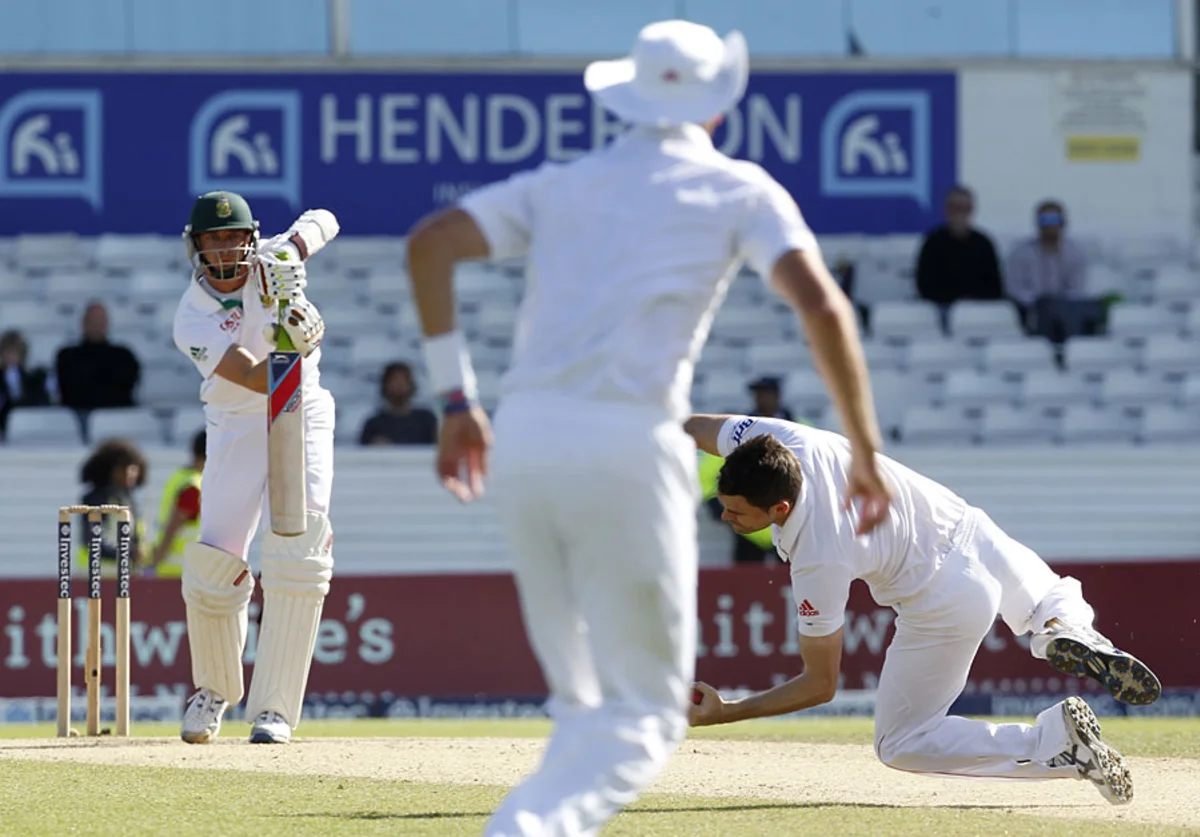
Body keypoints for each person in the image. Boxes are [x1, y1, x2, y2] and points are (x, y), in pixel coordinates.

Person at [404, 20, 890, 836]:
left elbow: (430, 245)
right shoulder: (740, 189)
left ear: (626, 99)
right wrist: (866, 454)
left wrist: (457, 401)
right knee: (642, 719)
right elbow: (823, 305)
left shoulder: (561, 183)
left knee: (582, 705)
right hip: (628, 444)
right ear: (718, 109)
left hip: (522, 439)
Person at [683, 413, 1162, 805]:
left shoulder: (817, 553)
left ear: (780, 509)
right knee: (1049, 595)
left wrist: (728, 712)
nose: (725, 518)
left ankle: (1053, 742)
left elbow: (820, 683)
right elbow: (702, 426)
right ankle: (1066, 628)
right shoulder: (787, 439)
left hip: (942, 598)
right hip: (972, 528)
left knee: (901, 742)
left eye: (737, 512)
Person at [172, 190, 339, 745]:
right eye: (214, 238)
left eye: (235, 237)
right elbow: (252, 376)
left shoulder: (270, 258)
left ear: (250, 236)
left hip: (304, 409)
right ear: (196, 247)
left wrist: (291, 248)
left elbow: (326, 217)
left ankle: (275, 711)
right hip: (238, 420)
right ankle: (214, 689)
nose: (227, 248)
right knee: (215, 563)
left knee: (299, 547)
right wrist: (291, 342)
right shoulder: (191, 317)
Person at [914, 185, 1003, 315]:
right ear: (946, 210)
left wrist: (972, 300)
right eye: (955, 208)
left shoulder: (984, 243)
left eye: (965, 208)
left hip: (979, 308)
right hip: (942, 308)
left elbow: (995, 286)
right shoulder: (932, 243)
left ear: (972, 210)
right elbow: (924, 285)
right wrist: (955, 302)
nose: (960, 213)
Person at [1005, 200, 1088, 329]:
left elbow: (1077, 289)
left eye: (1054, 219)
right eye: (1045, 220)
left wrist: (1057, 303)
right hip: (1028, 313)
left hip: (1066, 315)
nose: (1050, 225)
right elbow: (1015, 288)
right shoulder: (1020, 253)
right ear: (1038, 222)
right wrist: (1040, 302)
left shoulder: (1075, 254)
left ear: (1063, 222)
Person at [76, 437, 148, 575]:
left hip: (122, 578)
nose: (130, 474)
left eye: (134, 469)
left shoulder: (128, 499)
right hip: (97, 577)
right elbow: (92, 541)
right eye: (124, 469)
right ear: (110, 470)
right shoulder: (96, 498)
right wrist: (129, 554)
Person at [55, 301, 141, 412]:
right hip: (80, 415)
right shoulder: (67, 356)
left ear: (107, 323)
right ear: (83, 323)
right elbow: (71, 390)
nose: (96, 324)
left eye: (100, 320)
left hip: (117, 416)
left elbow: (126, 387)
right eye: (92, 320)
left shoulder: (124, 355)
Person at [148, 430, 206, 579]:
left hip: (174, 571)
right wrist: (154, 564)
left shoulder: (179, 477)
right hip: (180, 575)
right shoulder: (193, 487)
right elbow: (173, 527)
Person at [358, 362, 438, 445]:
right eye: (394, 380)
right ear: (385, 385)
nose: (399, 384)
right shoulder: (373, 424)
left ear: (412, 384)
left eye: (404, 380)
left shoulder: (426, 420)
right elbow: (362, 453)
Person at [0, 329, 51, 438]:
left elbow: (42, 402)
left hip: (30, 425)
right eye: (7, 352)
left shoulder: (35, 378)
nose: (10, 356)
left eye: (15, 352)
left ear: (22, 354)